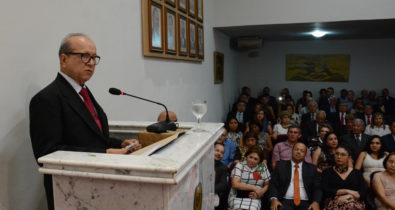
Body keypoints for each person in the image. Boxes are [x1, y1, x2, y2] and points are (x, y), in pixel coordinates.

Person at [29, 34, 141, 210]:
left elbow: (92, 136)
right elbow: (47, 153)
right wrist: (105, 152)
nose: (91, 62)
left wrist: (121, 144)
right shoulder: (46, 99)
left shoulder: (84, 92)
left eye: (94, 58)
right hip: (70, 193)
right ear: (64, 59)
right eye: (84, 56)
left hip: (97, 187)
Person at [269, 142, 322, 210]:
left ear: (305, 154)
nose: (298, 152)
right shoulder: (280, 166)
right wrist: (274, 199)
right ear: (292, 151)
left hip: (306, 202)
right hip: (285, 201)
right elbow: (273, 184)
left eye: (302, 151)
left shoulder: (312, 168)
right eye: (296, 149)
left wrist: (316, 202)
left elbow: (317, 188)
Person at [322, 145, 367, 209]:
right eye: (337, 154)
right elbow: (325, 190)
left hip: (353, 200)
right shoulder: (327, 172)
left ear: (349, 158)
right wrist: (346, 191)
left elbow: (363, 192)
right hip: (333, 201)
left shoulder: (357, 173)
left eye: (343, 154)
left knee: (351, 205)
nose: (339, 157)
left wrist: (349, 196)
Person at [214, 143, 229, 210]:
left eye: (222, 152)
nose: (219, 153)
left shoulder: (223, 168)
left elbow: (223, 185)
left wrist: (209, 191)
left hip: (212, 194)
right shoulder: (202, 163)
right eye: (217, 150)